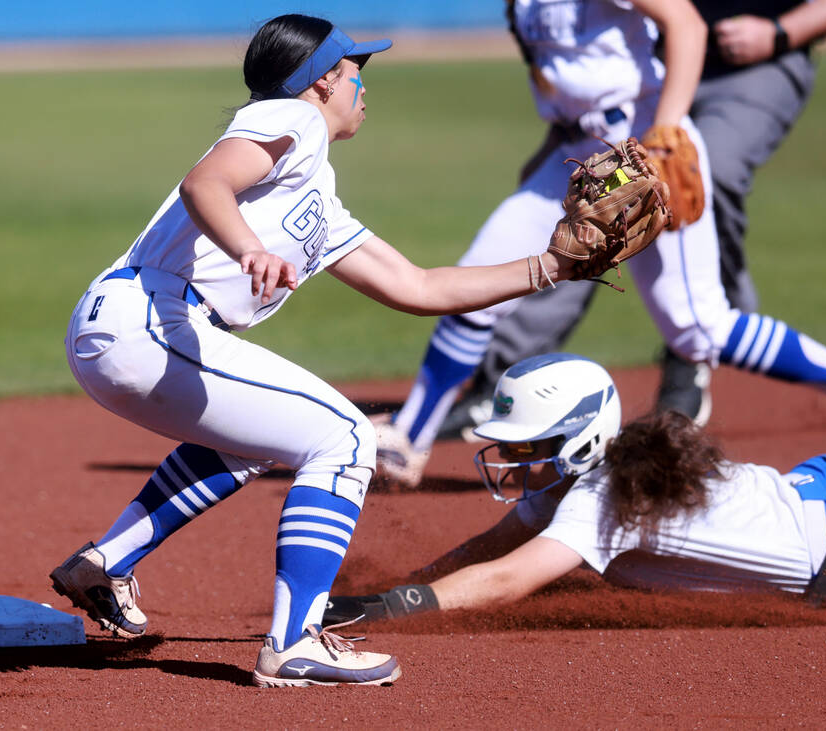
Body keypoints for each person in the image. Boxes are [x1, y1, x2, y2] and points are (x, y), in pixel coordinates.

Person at [46, 14, 606, 689]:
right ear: (319, 84)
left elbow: (419, 285)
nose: (364, 87)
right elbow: (206, 183)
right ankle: (294, 641)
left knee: (254, 440)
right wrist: (248, 249)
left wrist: (550, 266)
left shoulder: (317, 193)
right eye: (354, 73)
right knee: (345, 435)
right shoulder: (292, 118)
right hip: (152, 321)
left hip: (134, 330)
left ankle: (107, 560)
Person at [372, 0, 826, 490]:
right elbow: (570, 79)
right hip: (578, 156)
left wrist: (667, 134)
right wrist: (547, 150)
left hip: (642, 151)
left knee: (697, 326)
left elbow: (685, 22)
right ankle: (409, 440)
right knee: (475, 280)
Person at [326, 354, 826, 625]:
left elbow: (507, 578)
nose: (512, 457)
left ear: (577, 436)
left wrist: (382, 609)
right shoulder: (595, 475)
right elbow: (494, 543)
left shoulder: (602, 500)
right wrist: (408, 584)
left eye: (526, 444)